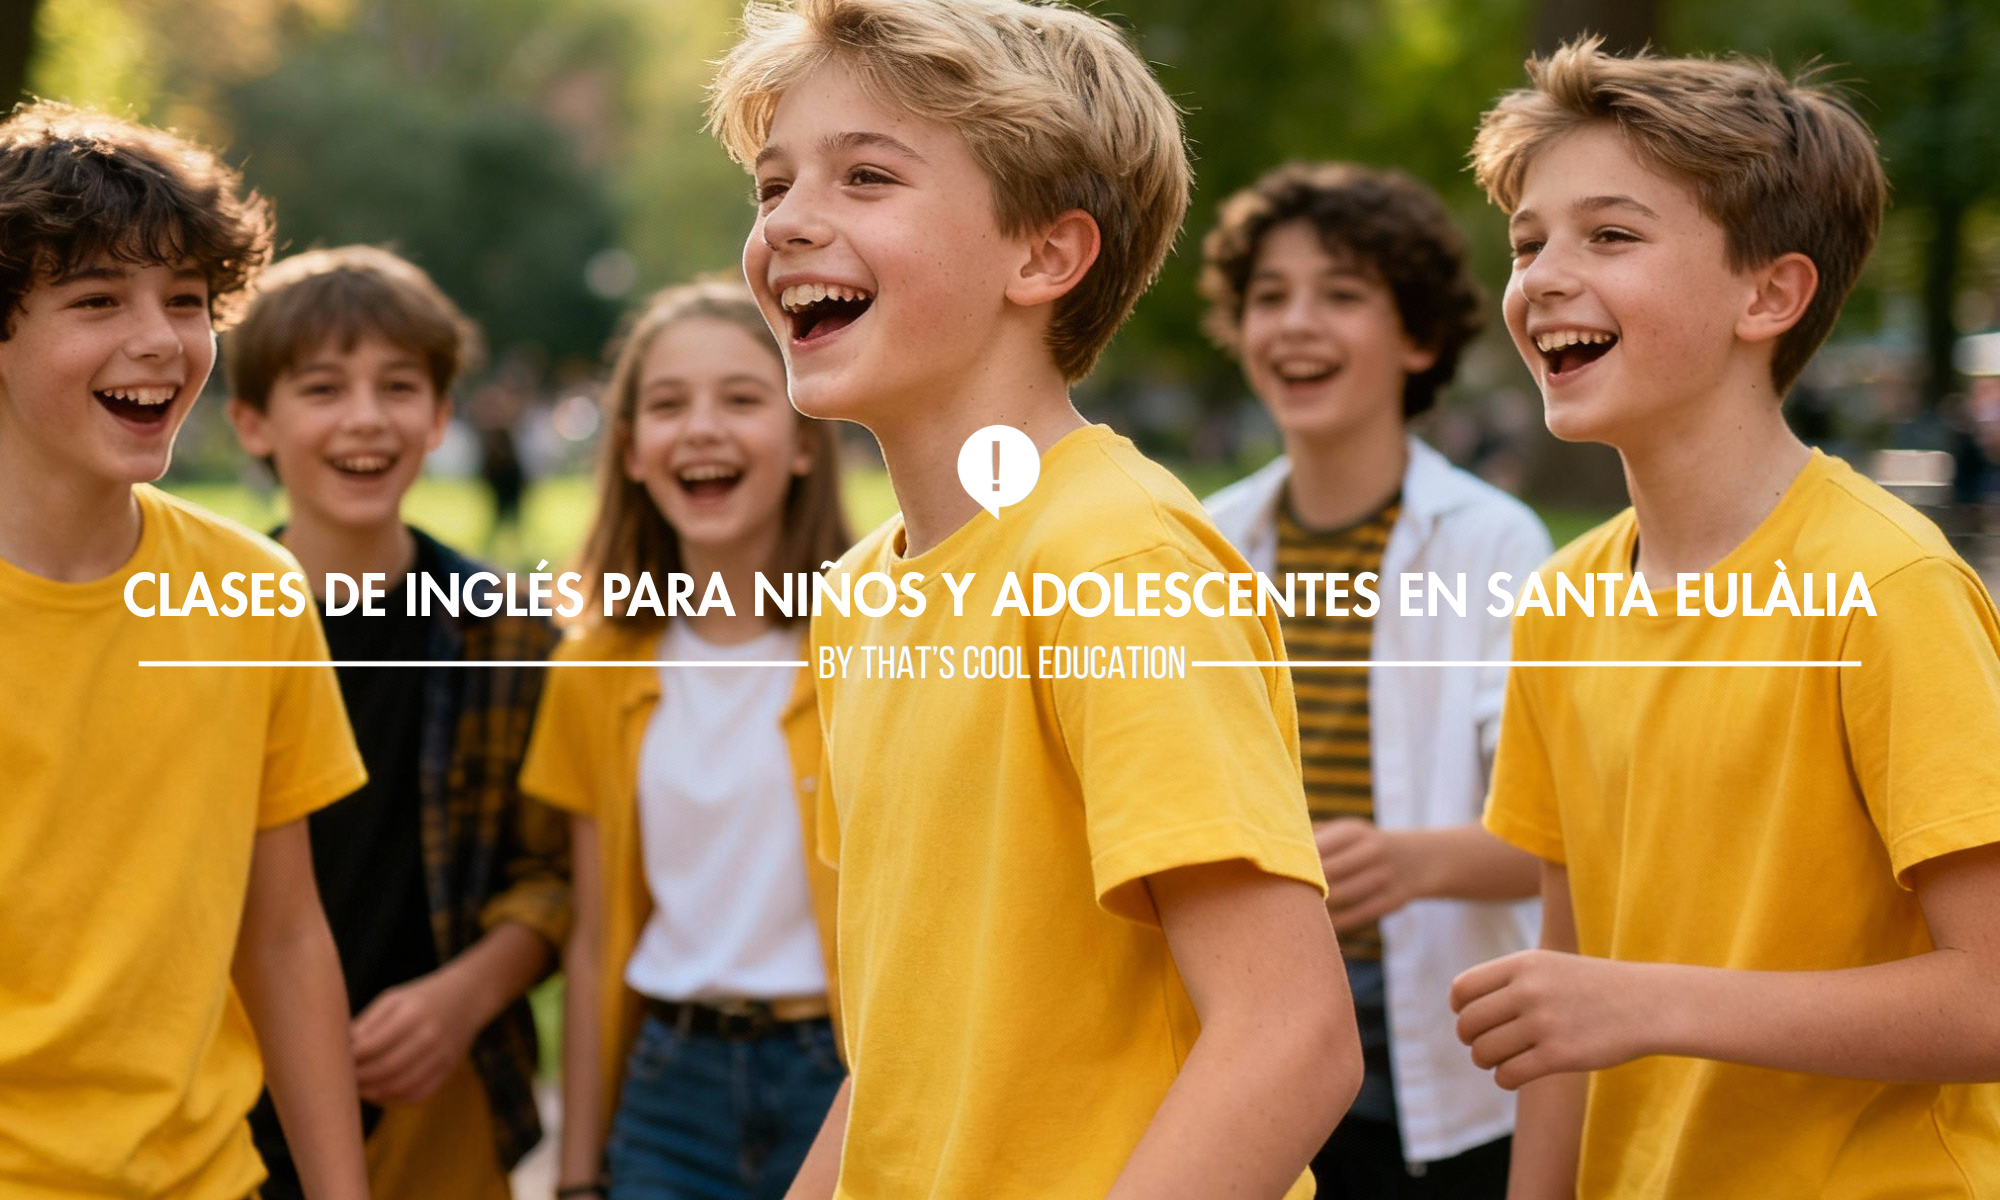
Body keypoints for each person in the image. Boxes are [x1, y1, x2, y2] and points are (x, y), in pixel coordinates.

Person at [707, 2, 1362, 1196]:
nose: (790, 222)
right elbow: (906, 1056)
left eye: (864, 177)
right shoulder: (858, 599)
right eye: (771, 186)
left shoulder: (1112, 563)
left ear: (1043, 257)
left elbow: (1289, 1041)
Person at [1448, 38, 2000, 1198]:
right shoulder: (1561, 599)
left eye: (1609, 235)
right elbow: (1563, 988)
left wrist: (1640, 1001)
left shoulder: (1884, 587)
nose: (1542, 274)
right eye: (1526, 241)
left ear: (1770, 292)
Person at [0, 102, 370, 1200]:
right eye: (97, 300)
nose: (160, 341)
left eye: (188, 302)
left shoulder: (254, 592)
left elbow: (286, 935)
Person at [1201, 161, 1547, 1197]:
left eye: (1340, 295)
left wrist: (1404, 862)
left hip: (1427, 1035)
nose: (1294, 324)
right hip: (1238, 1011)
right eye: (1268, 297)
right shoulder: (1203, 543)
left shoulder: (1492, 543)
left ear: (1417, 339)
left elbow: (1560, 838)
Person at [222, 245, 570, 1200]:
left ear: (441, 416)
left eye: (400, 386)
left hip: (434, 1097)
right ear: (253, 421)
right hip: (222, 1098)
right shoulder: (201, 626)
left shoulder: (510, 635)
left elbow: (558, 871)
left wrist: (468, 996)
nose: (367, 417)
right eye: (323, 387)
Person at [520, 280, 851, 1200]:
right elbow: (592, 943)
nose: (701, 428)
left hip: (846, 1080)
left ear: (801, 445)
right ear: (630, 453)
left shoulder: (880, 646)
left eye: (742, 399)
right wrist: (578, 1173)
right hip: (671, 1089)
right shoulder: (593, 669)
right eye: (667, 406)